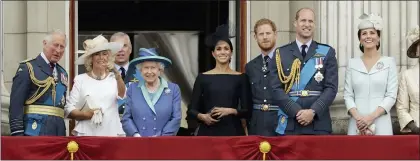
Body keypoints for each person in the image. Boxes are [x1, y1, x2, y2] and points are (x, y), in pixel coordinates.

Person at [269, 8, 338, 135]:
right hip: (290, 122)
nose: (307, 24)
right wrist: (296, 111)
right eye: (303, 20)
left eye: (310, 21)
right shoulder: (281, 53)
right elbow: (275, 89)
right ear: (295, 23)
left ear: (314, 24)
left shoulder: (327, 52)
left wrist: (313, 111)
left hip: (318, 122)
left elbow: (331, 88)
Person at [187, 24, 252, 136]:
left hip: (233, 132)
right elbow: (192, 110)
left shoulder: (241, 77)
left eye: (226, 49)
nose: (222, 52)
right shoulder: (202, 77)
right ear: (213, 53)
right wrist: (203, 117)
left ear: (231, 52)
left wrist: (230, 111)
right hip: (208, 132)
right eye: (219, 49)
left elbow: (248, 110)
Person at [344, 13, 398, 135]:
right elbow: (348, 95)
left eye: (372, 33)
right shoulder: (352, 64)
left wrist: (370, 117)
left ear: (378, 37)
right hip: (357, 124)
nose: (368, 36)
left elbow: (391, 95)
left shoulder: (389, 62)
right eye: (364, 33)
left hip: (381, 122)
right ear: (360, 39)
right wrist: (359, 119)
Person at [9, 30, 68, 136]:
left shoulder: (62, 73)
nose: (58, 50)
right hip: (34, 131)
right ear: (45, 43)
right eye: (55, 45)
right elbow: (16, 104)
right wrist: (17, 134)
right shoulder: (28, 68)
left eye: (62, 47)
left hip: (58, 133)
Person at [65, 35, 126, 136]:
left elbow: (122, 95)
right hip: (87, 133)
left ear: (109, 57)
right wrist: (86, 114)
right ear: (91, 58)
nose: (101, 57)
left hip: (111, 132)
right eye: (97, 54)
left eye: (105, 54)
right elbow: (69, 109)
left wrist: (118, 77)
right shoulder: (81, 79)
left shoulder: (114, 78)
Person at [121, 48, 181, 137]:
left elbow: (176, 118)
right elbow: (126, 118)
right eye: (146, 68)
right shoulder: (132, 89)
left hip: (163, 142)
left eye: (153, 68)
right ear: (140, 71)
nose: (149, 72)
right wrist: (135, 135)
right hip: (138, 142)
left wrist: (161, 136)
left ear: (160, 70)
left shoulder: (173, 89)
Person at [246, 18, 286, 136]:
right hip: (257, 125)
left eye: (268, 33)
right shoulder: (250, 66)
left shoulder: (287, 61)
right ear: (255, 37)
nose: (265, 37)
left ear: (275, 34)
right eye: (261, 34)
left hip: (281, 122)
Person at [396, 25, 419, 134]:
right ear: (416, 51)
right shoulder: (407, 75)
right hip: (416, 132)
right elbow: (401, 108)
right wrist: (415, 128)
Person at [110, 32, 133, 115]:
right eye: (116, 46)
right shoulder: (103, 74)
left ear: (130, 50)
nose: (121, 49)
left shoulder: (142, 75)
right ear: (110, 51)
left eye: (124, 46)